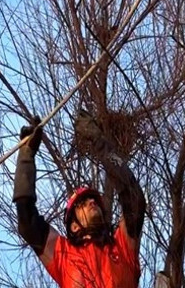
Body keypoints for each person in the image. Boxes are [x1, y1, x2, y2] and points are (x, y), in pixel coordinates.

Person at [12, 112, 146, 287]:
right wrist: (26, 156)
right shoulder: (63, 256)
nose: (92, 202)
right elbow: (28, 223)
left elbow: (134, 198)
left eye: (93, 201)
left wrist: (98, 141)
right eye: (82, 204)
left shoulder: (122, 247)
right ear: (74, 226)